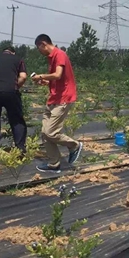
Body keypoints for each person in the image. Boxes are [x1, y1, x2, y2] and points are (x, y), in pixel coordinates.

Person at [31, 34, 82, 173]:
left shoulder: (59, 54)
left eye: (38, 48)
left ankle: (74, 145)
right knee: (44, 133)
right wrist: (46, 81)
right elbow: (57, 79)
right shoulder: (51, 58)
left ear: (43, 44)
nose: (39, 51)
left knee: (51, 132)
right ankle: (54, 164)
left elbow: (58, 75)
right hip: (54, 98)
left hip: (63, 98)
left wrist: (40, 76)